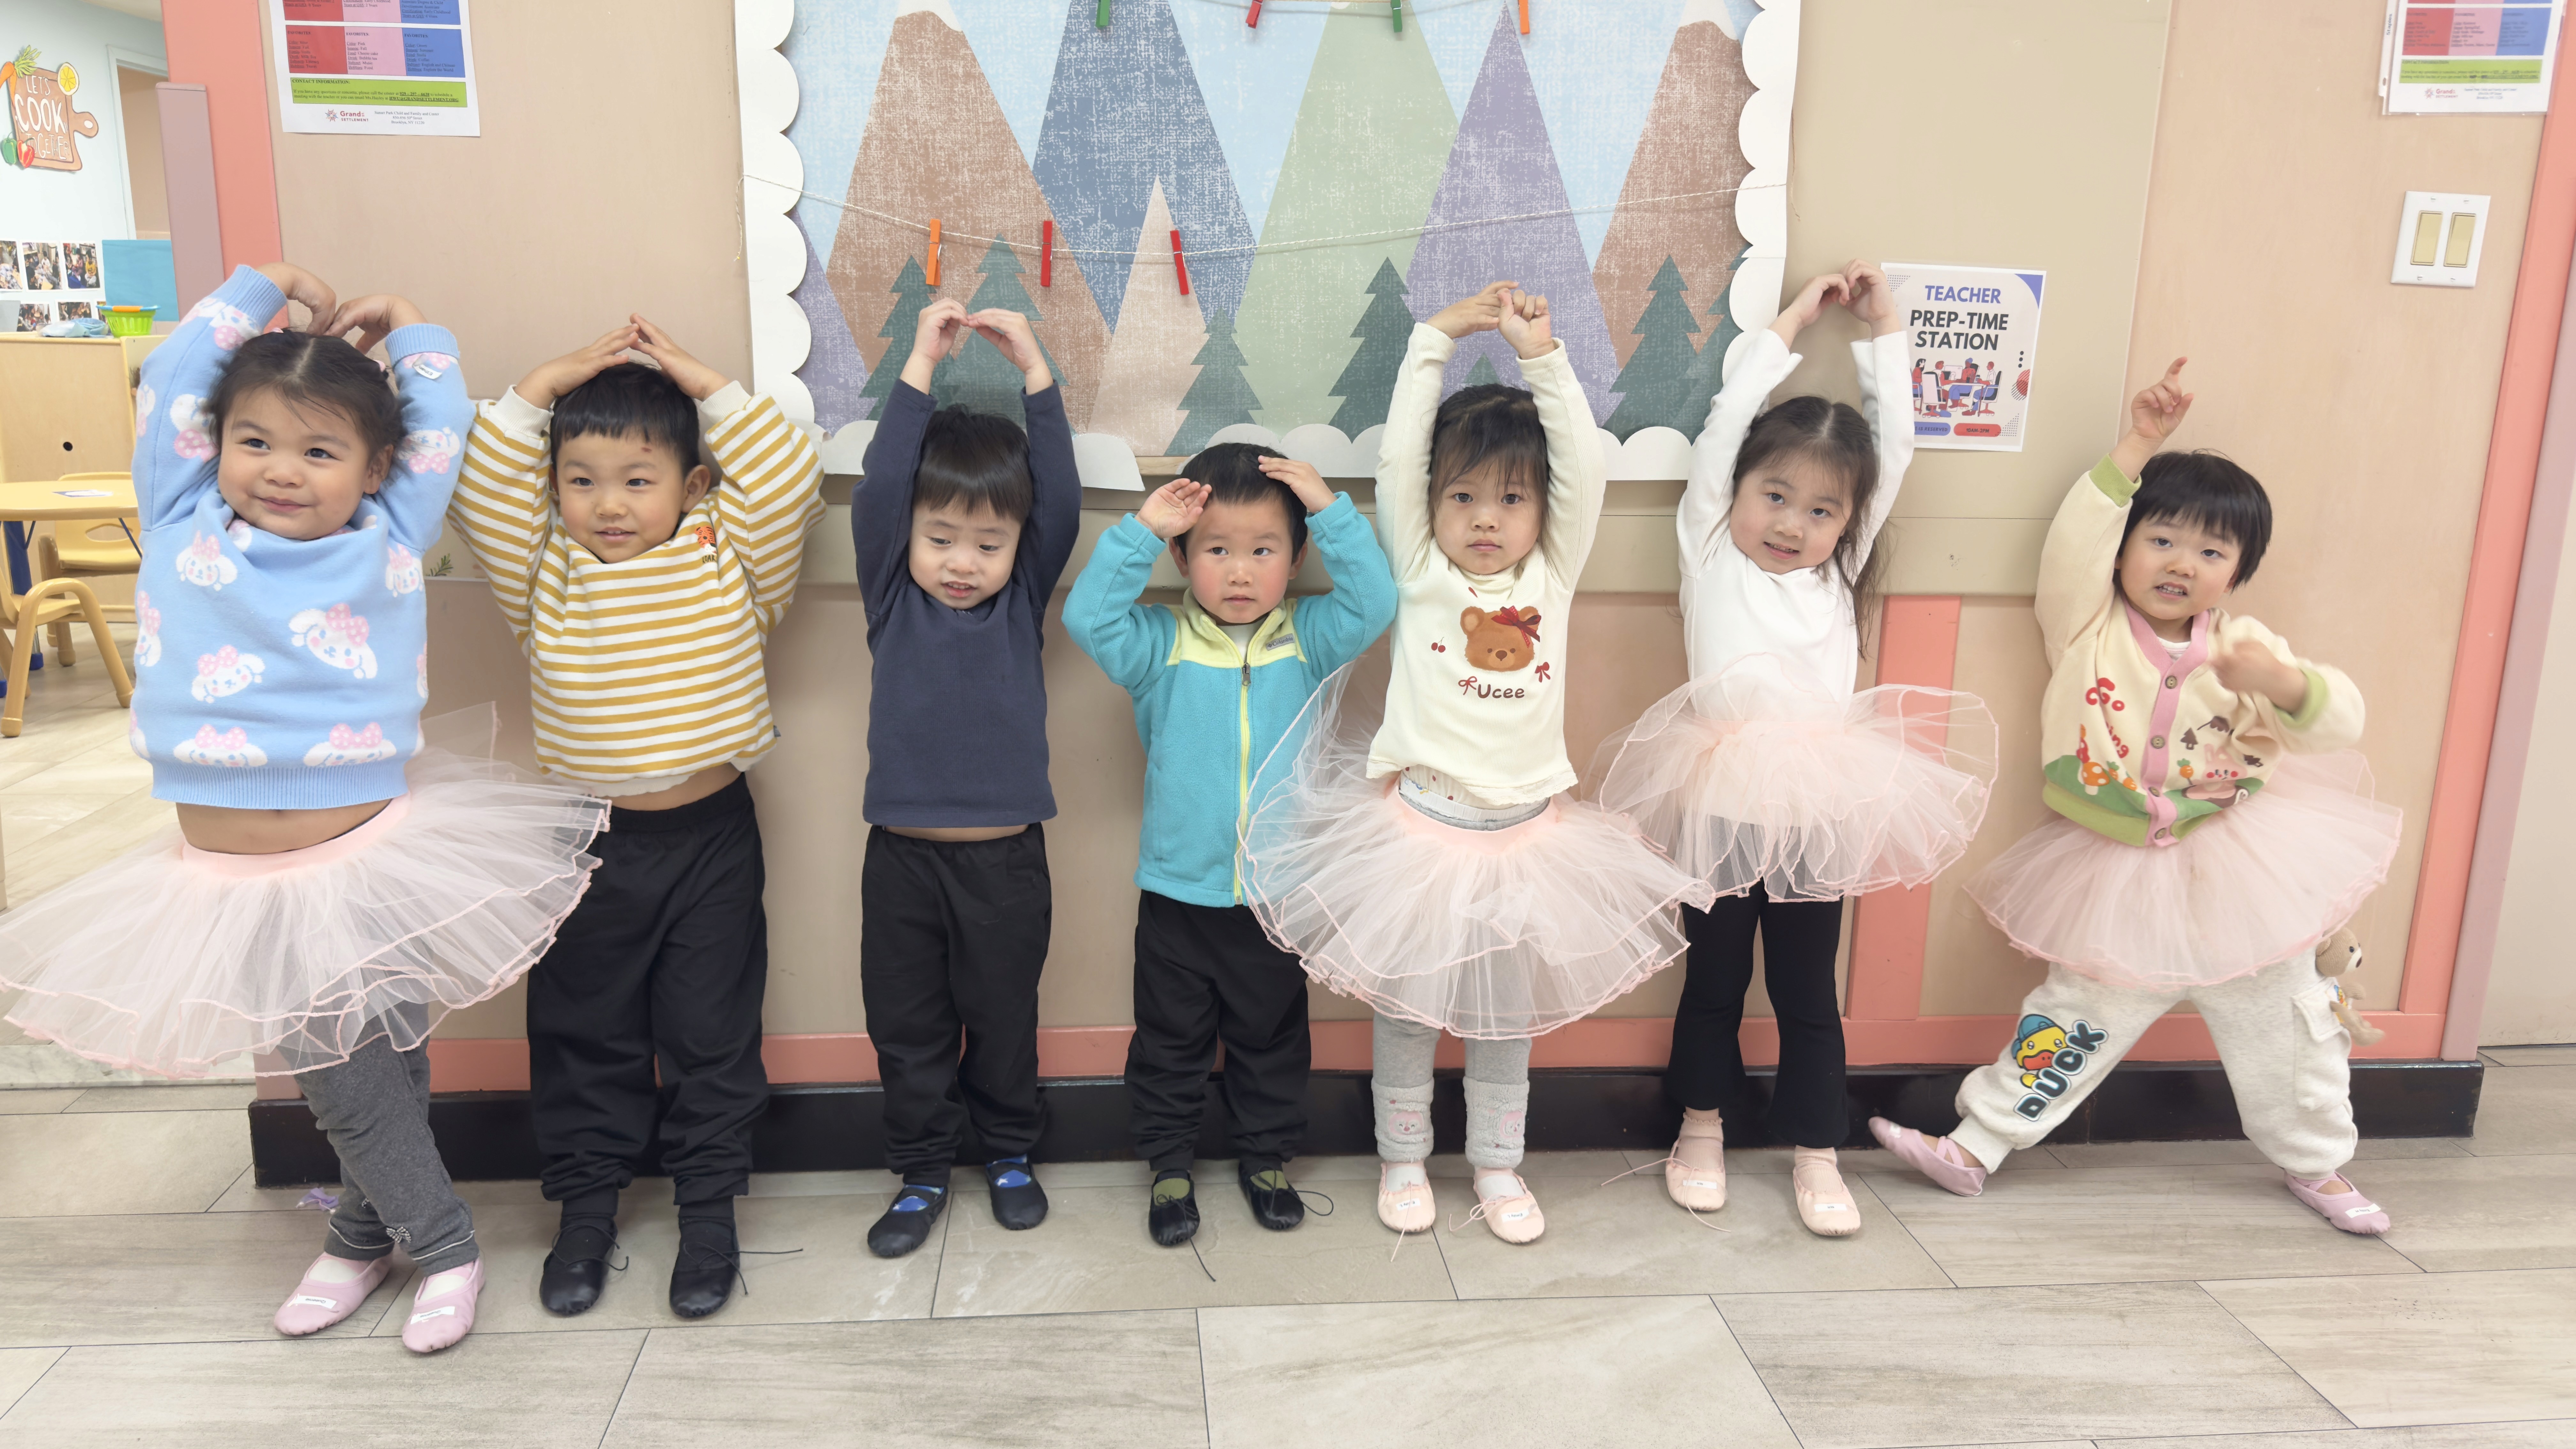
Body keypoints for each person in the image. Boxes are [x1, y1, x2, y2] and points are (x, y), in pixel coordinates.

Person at [0, 262, 608, 1353]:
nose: (283, 471)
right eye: (257, 442)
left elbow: (441, 432)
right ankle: (398, 1229)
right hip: (226, 871)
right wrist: (258, 289)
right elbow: (178, 374)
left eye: (319, 450)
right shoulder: (181, 510)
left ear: (373, 467)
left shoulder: (386, 531)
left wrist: (417, 332)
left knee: (365, 1050)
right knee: (351, 1058)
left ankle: (418, 1237)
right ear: (214, 443)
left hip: (368, 844)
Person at [1868, 358, 2405, 1234]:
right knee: (2077, 1012)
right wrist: (2139, 442)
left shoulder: (2245, 646)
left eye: (2210, 551)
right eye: (2160, 540)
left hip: (2241, 862)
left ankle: (2322, 1165)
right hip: (2116, 863)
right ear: (2125, 548)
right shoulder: (2085, 621)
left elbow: (2334, 722)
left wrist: (2284, 679)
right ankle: (1975, 1145)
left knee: (2284, 1018)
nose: (2181, 563)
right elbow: (2075, 541)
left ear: (2238, 572)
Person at [1241, 282, 1711, 1245]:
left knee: (1505, 1025)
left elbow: (1581, 466)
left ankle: (1498, 1166)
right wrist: (1434, 342)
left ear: (1542, 513)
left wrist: (1544, 359)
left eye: (1509, 499)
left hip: (1528, 840)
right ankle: (1404, 1160)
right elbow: (1400, 456)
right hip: (1420, 836)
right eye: (1462, 497)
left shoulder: (1552, 577)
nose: (1486, 519)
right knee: (1408, 1016)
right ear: (1431, 508)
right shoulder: (1420, 572)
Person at [1592, 261, 1995, 1236]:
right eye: (1776, 498)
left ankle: (1819, 1151)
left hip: (1820, 807)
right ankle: (1699, 1127)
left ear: (1848, 525)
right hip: (1722, 802)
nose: (1793, 525)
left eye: (1821, 512)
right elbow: (1728, 420)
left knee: (1810, 991)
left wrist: (1885, 327)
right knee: (1716, 982)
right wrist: (1789, 324)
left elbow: (1892, 448)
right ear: (1738, 494)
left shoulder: (1840, 569)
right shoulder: (1710, 545)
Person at [447, 316, 824, 1320]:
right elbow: (482, 480)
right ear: (555, 488)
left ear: (692, 487)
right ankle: (585, 1213)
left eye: (637, 478)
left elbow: (786, 476)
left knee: (711, 1032)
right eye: (581, 479)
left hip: (711, 840)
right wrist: (548, 378)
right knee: (585, 1032)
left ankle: (708, 1215)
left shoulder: (734, 557)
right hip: (590, 841)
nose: (607, 504)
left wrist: (694, 379)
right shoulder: (543, 571)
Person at [1065, 442, 1397, 1247]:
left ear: (1295, 556)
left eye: (1263, 550)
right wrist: (1144, 527)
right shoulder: (1159, 646)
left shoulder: (1311, 639)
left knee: (1271, 1039)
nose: (1240, 572)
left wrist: (1330, 506)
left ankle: (1266, 1158)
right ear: (1183, 557)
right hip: (1179, 893)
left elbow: (1376, 603)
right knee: (1170, 1042)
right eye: (1216, 550)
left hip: (1277, 894)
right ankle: (1170, 1165)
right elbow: (1087, 617)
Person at [851, 296, 1078, 1258]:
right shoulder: (892, 596)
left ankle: (1011, 1154)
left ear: (1018, 553)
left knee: (1003, 1020)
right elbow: (879, 488)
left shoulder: (1020, 603)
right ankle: (921, 1170)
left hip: (1005, 866)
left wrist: (1036, 371)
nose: (962, 561)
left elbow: (1059, 497)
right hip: (903, 865)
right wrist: (919, 366)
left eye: (988, 545)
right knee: (907, 1029)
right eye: (942, 536)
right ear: (910, 538)